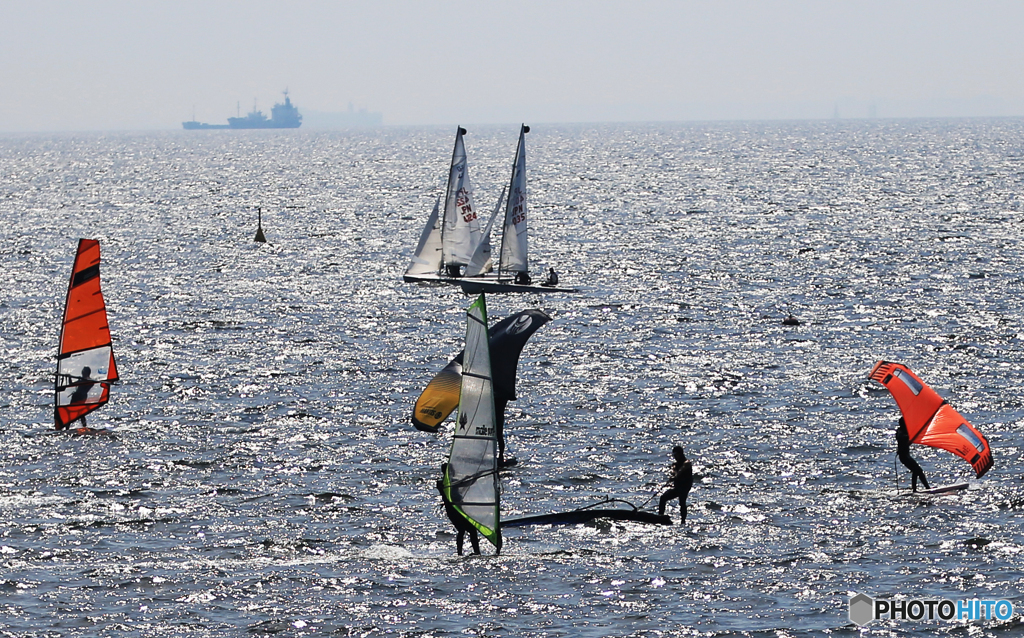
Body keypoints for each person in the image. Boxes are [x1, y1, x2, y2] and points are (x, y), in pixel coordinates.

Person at [437, 463, 481, 555]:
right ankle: (461, 553)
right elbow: (446, 487)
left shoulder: (454, 481)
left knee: (468, 530)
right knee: (463, 530)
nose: (453, 472)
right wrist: (464, 480)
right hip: (452, 510)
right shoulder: (441, 482)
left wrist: (476, 476)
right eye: (451, 471)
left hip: (459, 509)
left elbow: (467, 483)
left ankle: (474, 552)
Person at [658, 445, 693, 524]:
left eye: (676, 455)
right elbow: (673, 470)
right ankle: (660, 517)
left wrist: (677, 475)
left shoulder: (687, 462)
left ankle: (683, 521)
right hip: (677, 487)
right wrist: (673, 475)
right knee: (663, 498)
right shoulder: (675, 465)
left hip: (685, 487)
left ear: (680, 454)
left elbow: (682, 468)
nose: (675, 457)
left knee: (682, 502)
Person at [896, 417, 930, 491]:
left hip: (907, 456)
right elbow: (902, 438)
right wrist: (910, 436)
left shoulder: (905, 431)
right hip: (904, 457)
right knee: (917, 470)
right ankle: (916, 489)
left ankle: (925, 488)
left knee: (918, 471)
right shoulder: (900, 432)